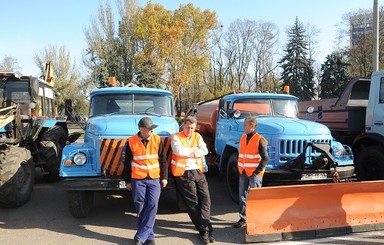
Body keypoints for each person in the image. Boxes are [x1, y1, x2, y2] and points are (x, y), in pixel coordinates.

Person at [123, 117, 168, 245]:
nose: (152, 131)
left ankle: (140, 237)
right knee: (141, 206)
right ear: (141, 129)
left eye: (152, 129)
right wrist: (128, 181)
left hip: (154, 178)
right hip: (137, 179)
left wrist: (164, 177)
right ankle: (150, 237)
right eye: (149, 129)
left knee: (153, 204)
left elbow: (163, 160)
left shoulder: (157, 140)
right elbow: (127, 163)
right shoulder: (131, 141)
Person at [170, 116, 214, 244]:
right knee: (193, 203)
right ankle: (204, 231)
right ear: (183, 125)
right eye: (188, 127)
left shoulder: (197, 136)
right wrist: (196, 150)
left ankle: (205, 227)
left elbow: (205, 150)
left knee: (206, 200)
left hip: (198, 171)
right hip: (183, 173)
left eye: (192, 128)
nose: (190, 130)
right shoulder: (176, 137)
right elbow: (179, 151)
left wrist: (192, 152)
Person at [233, 116, 269, 228]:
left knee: (255, 198)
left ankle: (256, 220)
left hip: (254, 174)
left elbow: (265, 158)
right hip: (243, 171)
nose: (243, 127)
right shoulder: (243, 137)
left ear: (252, 126)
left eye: (245, 125)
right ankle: (243, 218)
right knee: (242, 196)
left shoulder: (260, 140)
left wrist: (257, 172)